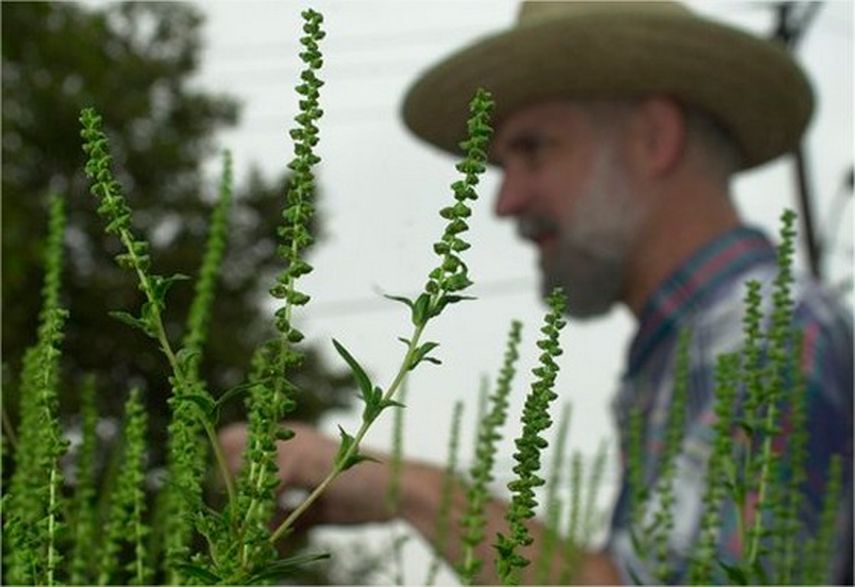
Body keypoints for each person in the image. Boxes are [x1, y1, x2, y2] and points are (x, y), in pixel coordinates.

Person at [220, 2, 853, 584]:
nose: (504, 201)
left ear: (655, 137)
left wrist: (404, 488)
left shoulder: (769, 337)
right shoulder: (687, 353)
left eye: (533, 150)